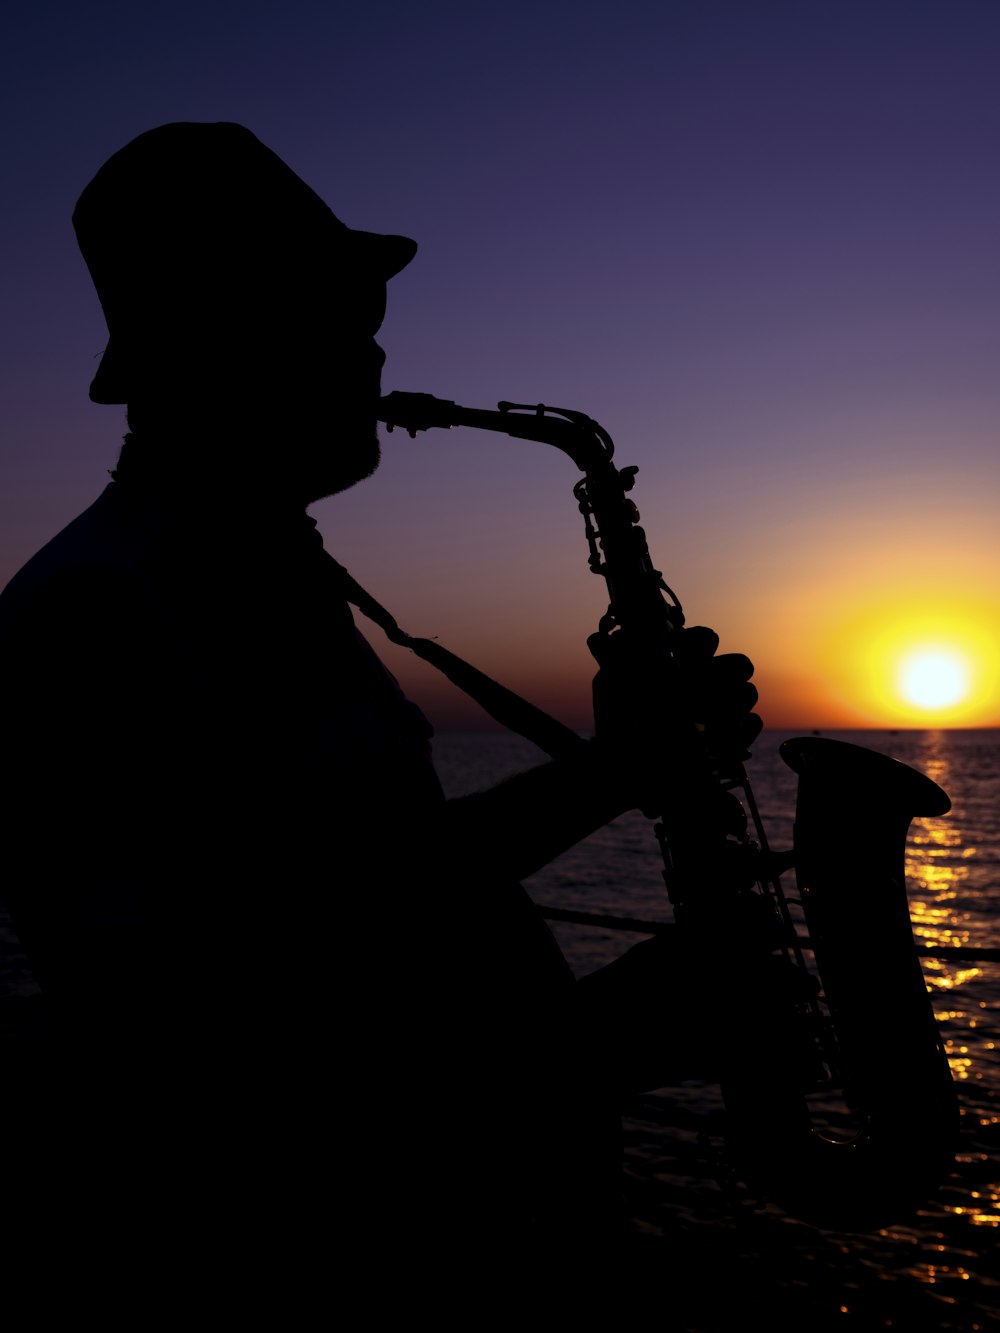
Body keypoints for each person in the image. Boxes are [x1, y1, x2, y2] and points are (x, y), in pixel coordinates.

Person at [0, 123, 760, 1311]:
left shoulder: (255, 575)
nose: (375, 354)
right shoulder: (100, 612)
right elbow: (213, 1041)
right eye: (339, 321)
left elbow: (362, 884)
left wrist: (620, 767)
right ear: (224, 337)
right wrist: (588, 1046)